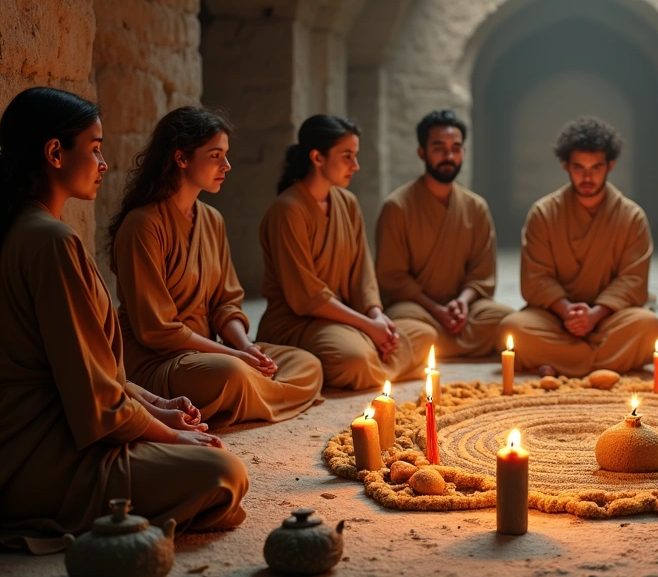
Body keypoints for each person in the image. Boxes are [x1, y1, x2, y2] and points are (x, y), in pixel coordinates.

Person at [0, 88, 246, 553]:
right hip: (41, 454)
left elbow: (88, 369)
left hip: (67, 425)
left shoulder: (33, 230)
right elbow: (96, 400)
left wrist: (156, 406)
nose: (104, 163)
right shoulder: (51, 242)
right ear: (55, 152)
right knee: (223, 475)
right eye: (94, 149)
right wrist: (171, 433)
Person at [108, 107, 323, 428]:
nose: (227, 165)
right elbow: (157, 330)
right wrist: (235, 357)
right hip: (158, 362)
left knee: (307, 363)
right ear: (181, 158)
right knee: (233, 374)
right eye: (215, 155)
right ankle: (250, 395)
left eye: (226, 155)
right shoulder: (142, 225)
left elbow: (225, 303)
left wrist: (246, 345)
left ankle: (251, 396)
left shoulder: (211, 219)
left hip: (210, 350)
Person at [258, 115, 431, 389]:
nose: (356, 165)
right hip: (297, 322)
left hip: (347, 319)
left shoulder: (348, 203)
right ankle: (365, 358)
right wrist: (367, 327)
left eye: (356, 155)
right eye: (347, 156)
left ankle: (368, 357)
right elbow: (306, 297)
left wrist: (375, 316)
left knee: (425, 335)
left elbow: (363, 274)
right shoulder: (288, 210)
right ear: (317, 157)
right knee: (354, 359)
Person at [498, 116, 658, 377]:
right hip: (555, 318)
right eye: (579, 168)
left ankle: (559, 363)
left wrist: (595, 315)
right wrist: (567, 311)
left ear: (610, 165)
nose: (587, 177)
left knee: (649, 325)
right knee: (511, 328)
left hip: (609, 317)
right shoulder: (544, 213)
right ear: (565, 165)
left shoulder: (631, 216)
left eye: (596, 168)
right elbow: (536, 278)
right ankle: (604, 363)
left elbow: (633, 280)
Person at [376, 110, 513, 358]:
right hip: (418, 309)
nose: (449, 156)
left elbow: (482, 274)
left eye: (456, 148)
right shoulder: (397, 206)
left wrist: (461, 302)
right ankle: (455, 344)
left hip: (466, 311)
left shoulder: (476, 207)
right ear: (422, 152)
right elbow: (392, 278)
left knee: (510, 321)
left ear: (463, 152)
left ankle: (435, 348)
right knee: (406, 326)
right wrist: (437, 310)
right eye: (439, 148)